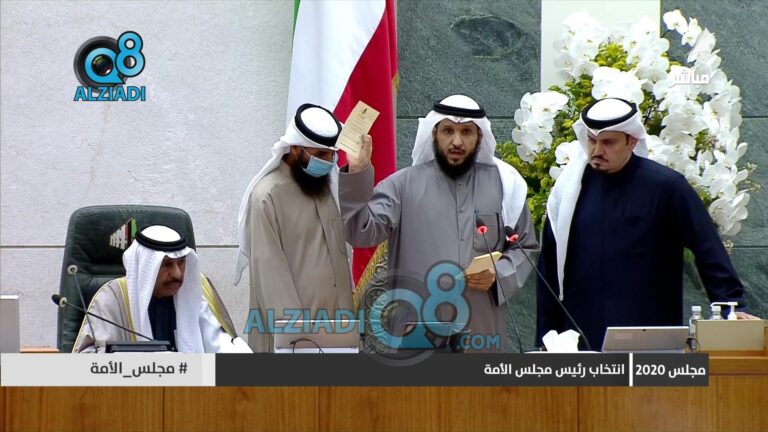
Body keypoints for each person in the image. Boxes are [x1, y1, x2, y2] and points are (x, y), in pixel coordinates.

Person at [536, 97, 758, 351]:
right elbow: (549, 267)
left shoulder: (667, 187)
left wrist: (731, 307)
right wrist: (545, 337)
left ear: (631, 140)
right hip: (581, 334)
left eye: (608, 142)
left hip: (649, 330)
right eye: (592, 140)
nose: (597, 150)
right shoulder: (569, 192)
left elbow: (707, 248)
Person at [338, 95, 537, 352]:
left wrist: (499, 274)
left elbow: (524, 246)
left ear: (480, 137)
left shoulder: (504, 185)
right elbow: (360, 232)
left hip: (481, 332)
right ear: (434, 134)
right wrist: (357, 173)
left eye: (466, 132)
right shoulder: (402, 185)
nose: (457, 141)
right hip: (417, 333)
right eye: (448, 131)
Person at [235, 103, 354, 352]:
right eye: (320, 155)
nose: (328, 162)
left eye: (331, 155)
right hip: (294, 342)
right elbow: (273, 278)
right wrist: (298, 344)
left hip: (337, 332)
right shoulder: (267, 197)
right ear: (295, 148)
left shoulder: (323, 187)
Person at [73, 225, 245, 353]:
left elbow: (221, 345)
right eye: (167, 264)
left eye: (181, 263)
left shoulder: (196, 292)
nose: (177, 274)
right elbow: (86, 365)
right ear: (145, 267)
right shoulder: (112, 299)